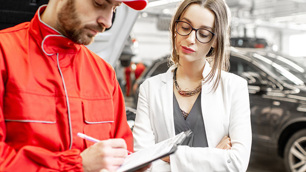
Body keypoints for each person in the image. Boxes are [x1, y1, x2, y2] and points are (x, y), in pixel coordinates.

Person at [0, 0, 148, 171]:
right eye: (99, 3)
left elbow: (123, 151)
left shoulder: (105, 74)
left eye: (114, 9)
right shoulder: (4, 53)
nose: (107, 22)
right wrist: (77, 165)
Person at [132, 0, 252, 171]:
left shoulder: (235, 87)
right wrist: (212, 157)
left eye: (203, 33)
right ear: (175, 28)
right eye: (185, 27)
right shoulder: (150, 88)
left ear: (216, 41)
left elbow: (237, 163)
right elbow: (141, 162)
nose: (190, 39)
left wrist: (166, 155)